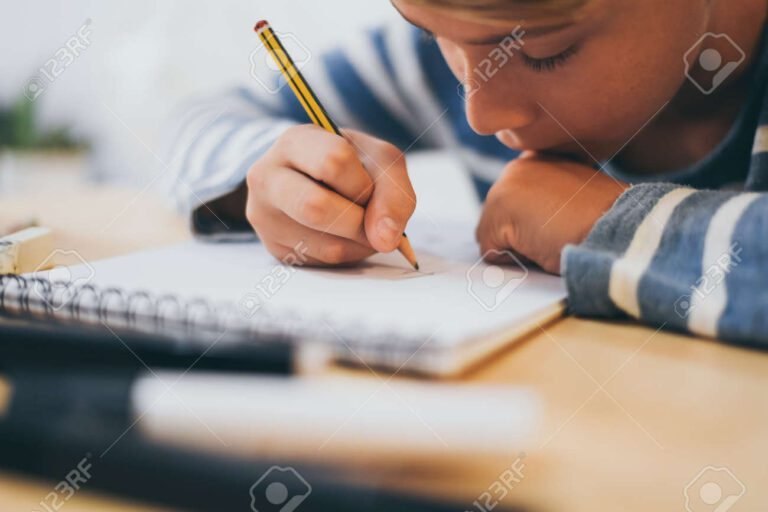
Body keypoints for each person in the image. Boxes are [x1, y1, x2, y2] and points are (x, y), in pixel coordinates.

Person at [166, 0, 768, 345]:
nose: (480, 112)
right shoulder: (463, 32)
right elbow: (197, 124)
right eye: (430, 33)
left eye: (541, 52)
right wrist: (278, 171)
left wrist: (607, 224)